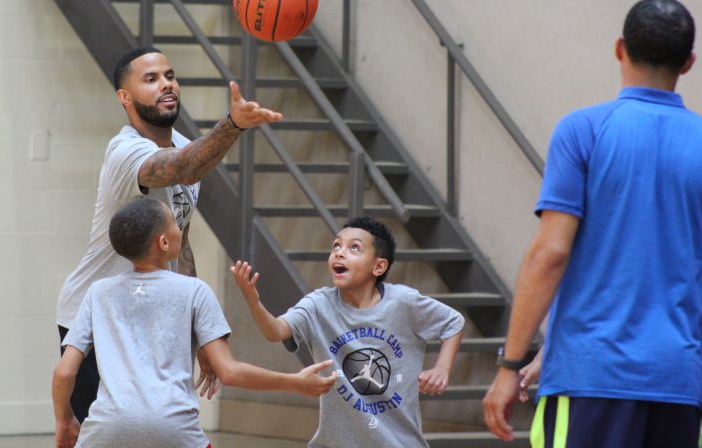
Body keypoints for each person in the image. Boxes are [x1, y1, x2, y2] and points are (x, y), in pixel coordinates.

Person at [483, 0, 702, 447]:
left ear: (620, 48)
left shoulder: (583, 130)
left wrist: (510, 365)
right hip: (681, 382)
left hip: (591, 378)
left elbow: (551, 253)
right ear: (689, 63)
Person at [55, 46, 283, 422]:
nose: (166, 85)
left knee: (158, 428)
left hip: (147, 316)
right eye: (151, 79)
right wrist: (234, 124)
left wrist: (198, 331)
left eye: (170, 76)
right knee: (110, 435)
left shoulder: (183, 143)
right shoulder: (125, 151)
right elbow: (183, 168)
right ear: (124, 97)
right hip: (95, 316)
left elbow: (182, 243)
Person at [52, 197, 337, 448]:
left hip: (106, 428)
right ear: (164, 242)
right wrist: (295, 383)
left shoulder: (98, 292)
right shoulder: (194, 290)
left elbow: (65, 372)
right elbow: (230, 372)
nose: (179, 228)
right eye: (175, 223)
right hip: (173, 428)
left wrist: (64, 419)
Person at [232, 216, 465, 447]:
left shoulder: (403, 303)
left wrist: (442, 369)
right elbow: (276, 331)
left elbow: (454, 322)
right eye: (336, 245)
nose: (340, 252)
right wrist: (254, 302)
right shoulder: (318, 304)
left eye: (354, 248)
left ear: (379, 266)